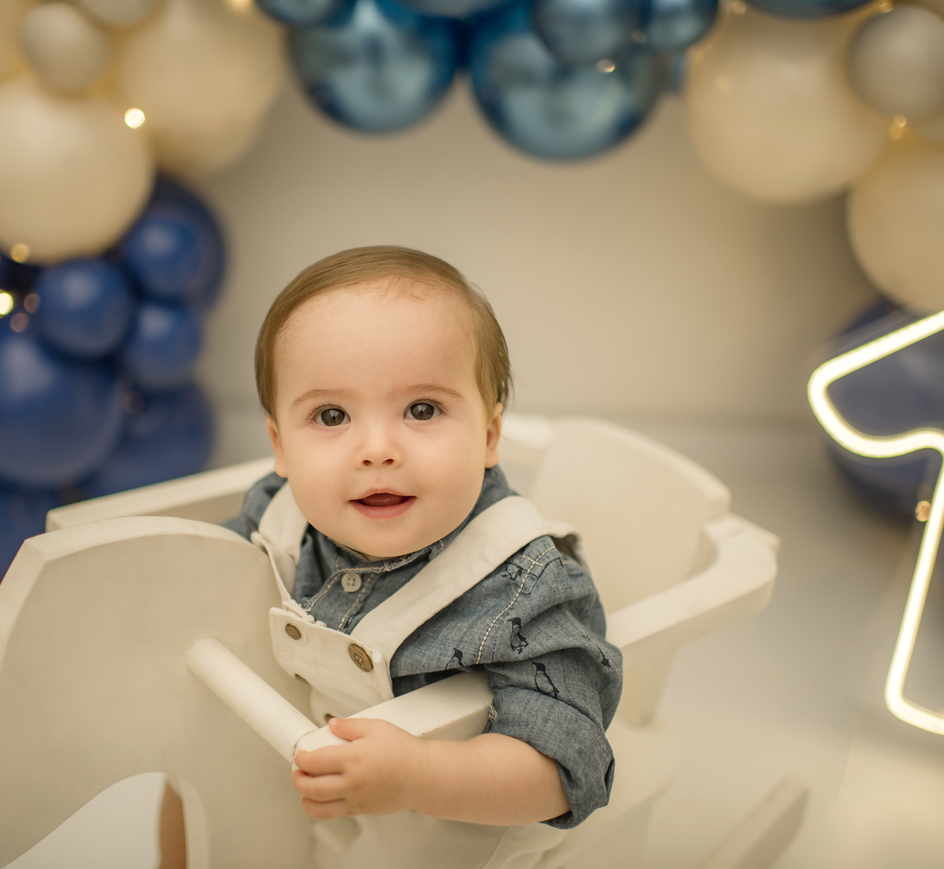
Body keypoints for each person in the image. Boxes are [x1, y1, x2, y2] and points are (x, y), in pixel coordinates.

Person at [160, 246, 621, 869]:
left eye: (422, 410)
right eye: (331, 415)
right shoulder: (278, 512)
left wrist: (420, 774)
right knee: (190, 776)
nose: (376, 449)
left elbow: (564, 768)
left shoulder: (526, 587)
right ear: (281, 446)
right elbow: (205, 579)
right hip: (307, 765)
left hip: (456, 825)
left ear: (489, 435)